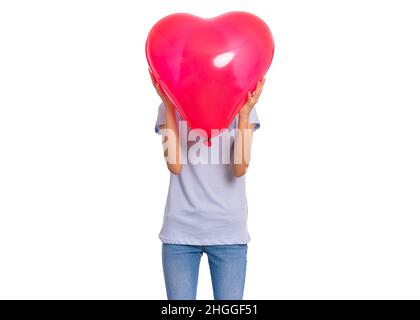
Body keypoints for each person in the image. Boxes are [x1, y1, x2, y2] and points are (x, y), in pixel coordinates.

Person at [150, 70, 265, 300]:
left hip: (228, 233)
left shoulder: (243, 106)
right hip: (180, 233)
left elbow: (240, 168)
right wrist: (169, 106)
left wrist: (244, 115)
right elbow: (174, 165)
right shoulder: (168, 107)